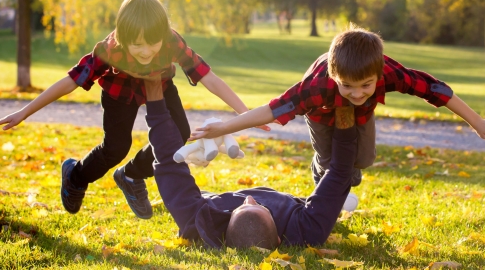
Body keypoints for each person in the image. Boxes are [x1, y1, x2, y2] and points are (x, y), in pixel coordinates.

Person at [0, 0, 266, 219]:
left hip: (161, 86)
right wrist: (24, 111)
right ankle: (76, 175)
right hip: (119, 94)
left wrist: (247, 113)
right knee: (115, 148)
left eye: (153, 43)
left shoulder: (170, 42)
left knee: (179, 138)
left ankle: (131, 176)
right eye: (137, 45)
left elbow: (209, 78)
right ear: (123, 37)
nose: (146, 51)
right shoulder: (109, 50)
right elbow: (70, 81)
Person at [190, 24, 485, 209]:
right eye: (348, 86)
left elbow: (435, 89)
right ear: (333, 76)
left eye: (366, 86)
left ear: (377, 73)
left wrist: (477, 121)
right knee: (329, 160)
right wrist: (224, 125)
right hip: (322, 113)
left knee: (364, 160)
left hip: (360, 117)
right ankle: (321, 171)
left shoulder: (386, 73)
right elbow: (272, 110)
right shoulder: (315, 88)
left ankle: (342, 175)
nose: (357, 93)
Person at [142, 76, 358, 248]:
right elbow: (339, 171)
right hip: (297, 203)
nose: (250, 198)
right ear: (279, 240)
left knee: (178, 182)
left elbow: (168, 163)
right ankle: (335, 203)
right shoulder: (306, 230)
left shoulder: (200, 221)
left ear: (227, 226)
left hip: (208, 198)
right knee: (340, 199)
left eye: (242, 206)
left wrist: (153, 93)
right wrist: (345, 108)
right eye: (261, 207)